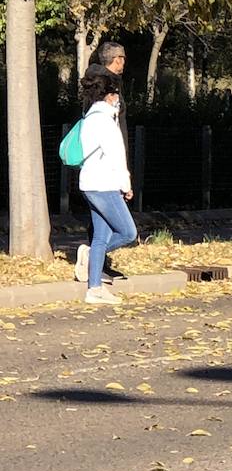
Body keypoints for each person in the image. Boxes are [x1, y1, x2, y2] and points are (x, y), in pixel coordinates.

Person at [73, 67, 137, 305]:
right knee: (128, 232)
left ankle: (95, 289)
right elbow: (116, 155)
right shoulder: (106, 122)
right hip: (105, 184)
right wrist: (126, 184)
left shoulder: (89, 118)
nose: (118, 98)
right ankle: (89, 257)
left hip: (89, 183)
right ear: (109, 96)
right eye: (117, 94)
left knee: (101, 236)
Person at [77, 40, 131, 284]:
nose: (124, 63)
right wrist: (124, 177)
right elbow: (110, 134)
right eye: (122, 58)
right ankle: (92, 258)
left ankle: (96, 274)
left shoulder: (98, 82)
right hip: (104, 170)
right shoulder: (106, 86)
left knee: (102, 229)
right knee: (125, 230)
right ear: (116, 59)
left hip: (99, 170)